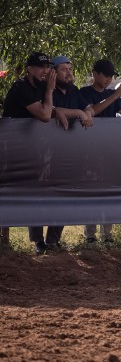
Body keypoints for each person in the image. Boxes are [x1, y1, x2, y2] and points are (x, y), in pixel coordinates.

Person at [2, 52, 60, 253]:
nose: (45, 71)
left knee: (40, 193)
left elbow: (52, 109)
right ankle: (5, 240)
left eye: (47, 67)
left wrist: (61, 109)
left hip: (35, 150)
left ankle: (40, 242)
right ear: (29, 68)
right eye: (41, 67)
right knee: (8, 192)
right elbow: (45, 114)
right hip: (12, 149)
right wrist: (51, 92)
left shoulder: (41, 86)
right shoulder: (21, 87)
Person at [80, 58, 121, 243]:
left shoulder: (113, 94)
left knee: (110, 190)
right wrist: (114, 96)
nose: (107, 79)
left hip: (111, 149)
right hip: (90, 150)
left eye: (110, 76)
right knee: (91, 191)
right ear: (94, 74)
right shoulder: (84, 93)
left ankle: (108, 234)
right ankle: (90, 235)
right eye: (105, 75)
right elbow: (93, 111)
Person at [50, 56, 95, 130]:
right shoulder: (48, 90)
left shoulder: (74, 90)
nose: (69, 73)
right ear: (53, 73)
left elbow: (90, 110)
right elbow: (51, 111)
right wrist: (78, 112)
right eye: (63, 70)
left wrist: (88, 114)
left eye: (70, 69)